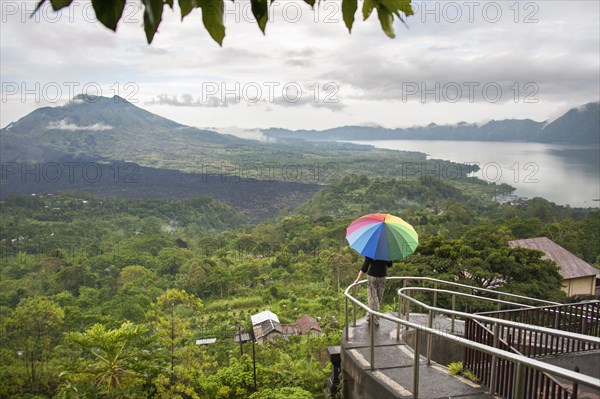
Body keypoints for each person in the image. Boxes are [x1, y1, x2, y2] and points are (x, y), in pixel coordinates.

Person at [353, 256, 392, 326]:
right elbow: (389, 264)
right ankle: (371, 317)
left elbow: (365, 266)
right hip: (382, 277)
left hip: (372, 277)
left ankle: (373, 318)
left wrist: (358, 279)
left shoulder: (371, 250)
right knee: (377, 299)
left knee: (373, 299)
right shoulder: (386, 251)